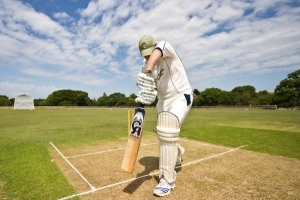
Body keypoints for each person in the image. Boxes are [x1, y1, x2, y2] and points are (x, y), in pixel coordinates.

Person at [135, 35, 193, 197]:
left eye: (149, 52)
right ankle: (178, 151)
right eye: (144, 55)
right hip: (162, 102)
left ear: (154, 45)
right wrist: (145, 89)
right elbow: (147, 87)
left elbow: (155, 55)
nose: (147, 57)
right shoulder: (146, 65)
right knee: (163, 133)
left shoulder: (164, 46)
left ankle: (166, 180)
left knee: (167, 127)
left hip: (180, 96)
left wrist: (147, 70)